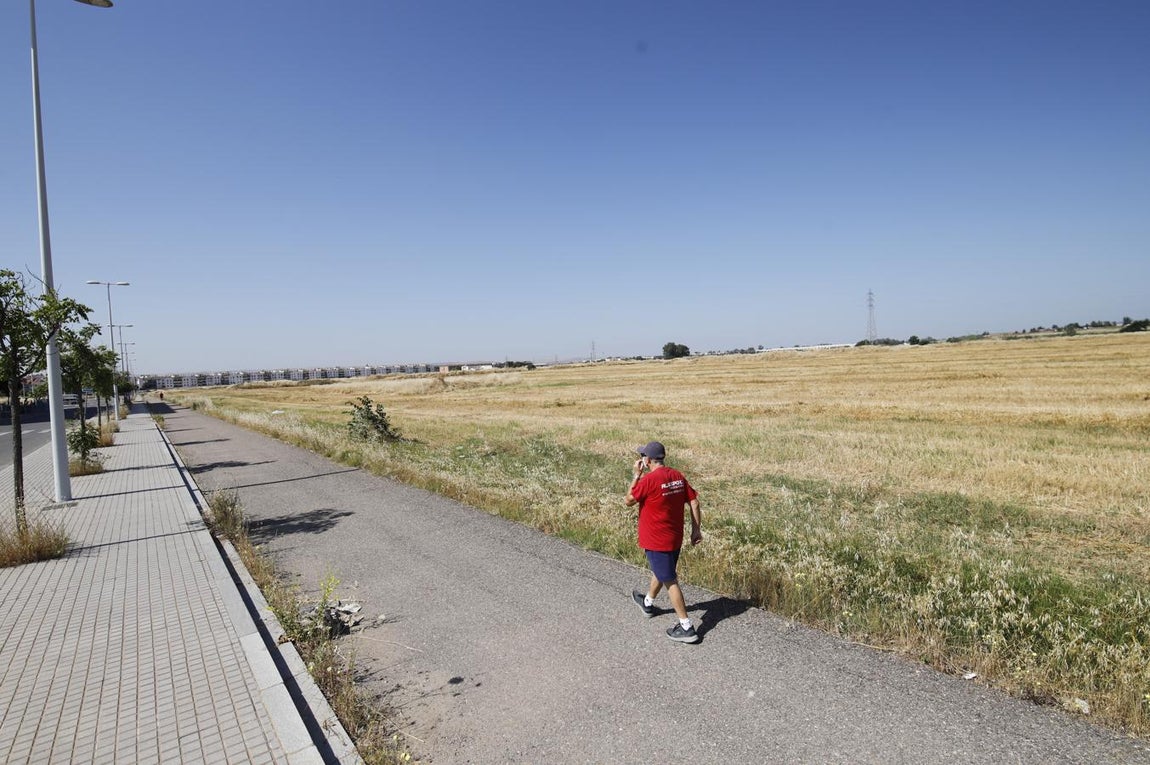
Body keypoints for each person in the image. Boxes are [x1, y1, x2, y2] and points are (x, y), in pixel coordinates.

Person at [625, 441, 703, 643]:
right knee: (662, 570)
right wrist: (696, 530)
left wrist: (636, 475)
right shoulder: (677, 476)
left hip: (656, 539)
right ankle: (648, 603)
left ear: (648, 460)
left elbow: (628, 500)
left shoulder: (649, 480)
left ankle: (687, 627)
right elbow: (694, 501)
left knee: (670, 579)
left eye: (643, 456)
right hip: (674, 537)